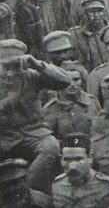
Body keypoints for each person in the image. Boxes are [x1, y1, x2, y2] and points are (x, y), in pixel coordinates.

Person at [0, 39, 71, 193]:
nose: (10, 73)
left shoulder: (31, 76)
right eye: (5, 67)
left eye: (15, 67)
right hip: (3, 135)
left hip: (32, 132)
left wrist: (37, 64)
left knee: (50, 147)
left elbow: (65, 81)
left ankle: (28, 191)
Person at [52, 133, 109, 208]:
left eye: (78, 159)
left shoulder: (106, 186)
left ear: (90, 158)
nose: (73, 167)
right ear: (61, 160)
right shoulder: (57, 185)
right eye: (67, 159)